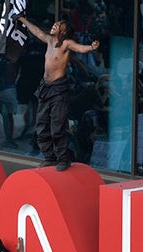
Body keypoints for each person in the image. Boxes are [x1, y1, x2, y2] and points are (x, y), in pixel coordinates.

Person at [17, 17, 100, 171]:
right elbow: (36, 31)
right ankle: (49, 157)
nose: (54, 25)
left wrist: (91, 47)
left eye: (58, 25)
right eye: (55, 23)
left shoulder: (66, 44)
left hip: (58, 88)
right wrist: (23, 19)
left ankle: (63, 158)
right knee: (41, 125)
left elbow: (80, 48)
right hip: (45, 87)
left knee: (57, 125)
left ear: (64, 31)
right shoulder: (49, 41)